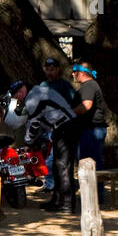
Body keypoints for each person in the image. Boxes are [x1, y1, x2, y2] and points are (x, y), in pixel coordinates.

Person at [11, 79, 78, 212]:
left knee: (63, 166)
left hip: (66, 127)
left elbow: (33, 124)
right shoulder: (38, 93)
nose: (18, 99)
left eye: (17, 94)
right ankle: (57, 200)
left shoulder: (32, 98)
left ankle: (67, 203)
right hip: (62, 127)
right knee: (56, 165)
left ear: (23, 90)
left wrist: (27, 143)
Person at [72, 60, 107, 204]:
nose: (72, 74)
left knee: (90, 164)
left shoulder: (89, 85)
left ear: (81, 73)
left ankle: (94, 197)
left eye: (74, 71)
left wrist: (69, 113)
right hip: (90, 130)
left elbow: (86, 105)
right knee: (91, 163)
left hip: (91, 131)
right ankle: (93, 196)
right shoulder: (91, 85)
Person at [37, 57, 75, 192]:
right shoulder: (43, 85)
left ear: (58, 69)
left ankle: (57, 185)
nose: (50, 72)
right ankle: (50, 183)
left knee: (57, 157)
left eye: (52, 69)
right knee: (47, 156)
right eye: (47, 69)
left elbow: (72, 105)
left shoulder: (65, 85)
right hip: (46, 126)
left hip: (61, 127)